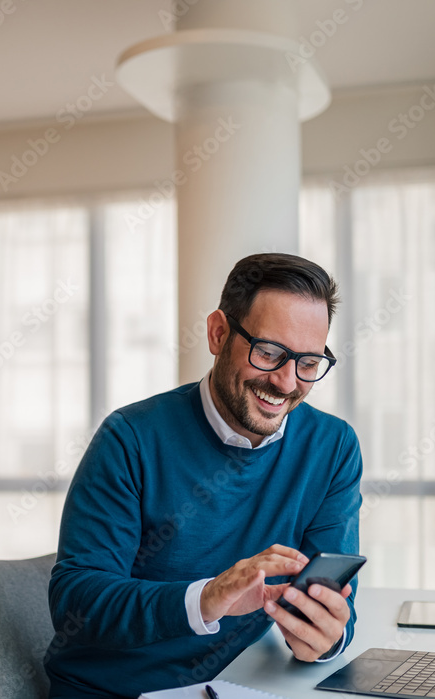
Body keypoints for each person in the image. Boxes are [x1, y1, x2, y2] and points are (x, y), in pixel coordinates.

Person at [44, 253, 363, 699]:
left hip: (236, 685)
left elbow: (333, 595)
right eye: (269, 353)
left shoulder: (333, 447)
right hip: (114, 690)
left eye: (308, 363)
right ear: (218, 334)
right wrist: (205, 598)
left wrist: (325, 642)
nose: (288, 383)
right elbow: (76, 600)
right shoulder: (131, 438)